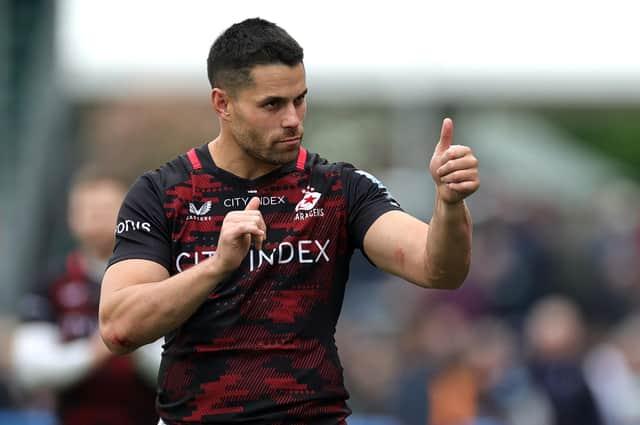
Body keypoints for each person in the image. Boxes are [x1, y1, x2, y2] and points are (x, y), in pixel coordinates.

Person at [98, 17, 480, 425]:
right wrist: (216, 267)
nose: (293, 119)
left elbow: (438, 270)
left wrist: (450, 204)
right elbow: (119, 327)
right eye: (272, 105)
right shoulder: (162, 192)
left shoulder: (338, 188)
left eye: (299, 99)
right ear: (222, 104)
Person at [10, 169, 161, 425]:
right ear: (72, 217)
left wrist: (132, 338)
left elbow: (177, 367)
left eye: (106, 208)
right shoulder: (52, 283)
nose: (96, 216)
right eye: (87, 208)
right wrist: (101, 346)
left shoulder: (159, 277)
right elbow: (31, 369)